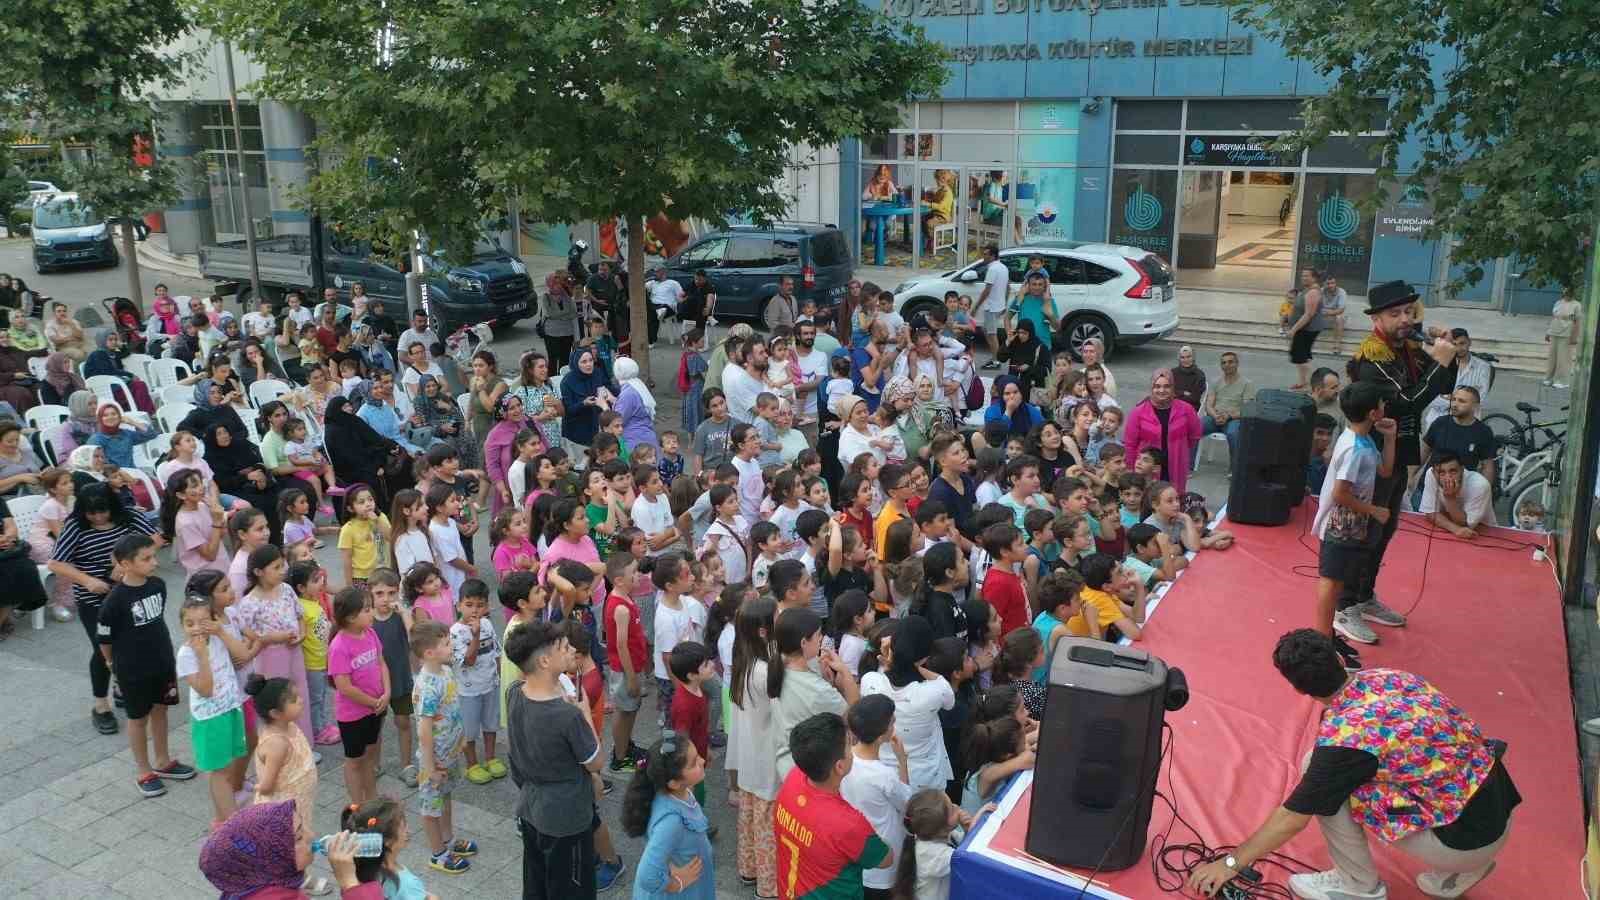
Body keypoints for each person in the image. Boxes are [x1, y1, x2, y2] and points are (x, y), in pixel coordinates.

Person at [1186, 629, 1519, 900]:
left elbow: (1292, 818)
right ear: (1339, 659)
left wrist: (1230, 863)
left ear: (1298, 689)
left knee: (1321, 781)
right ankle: (1457, 875)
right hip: (1499, 812)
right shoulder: (1392, 677)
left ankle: (1357, 886)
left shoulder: (1344, 740)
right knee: (1364, 769)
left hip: (1463, 845)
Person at [1339, 280, 1459, 645]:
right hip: (1371, 456)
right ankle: (1344, 606)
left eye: (1409, 311)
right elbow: (1407, 403)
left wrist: (1449, 354)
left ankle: (1364, 595)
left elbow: (1443, 385)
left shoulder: (1408, 349)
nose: (1405, 319)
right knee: (1364, 530)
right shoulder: (1372, 359)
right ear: (1376, 319)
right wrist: (1439, 363)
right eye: (1395, 314)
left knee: (1385, 529)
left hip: (1399, 449)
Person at [49, 482, 161, 734]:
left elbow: (155, 539)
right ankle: (100, 706)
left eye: (103, 511)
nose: (98, 517)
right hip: (94, 599)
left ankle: (122, 687)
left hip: (129, 592)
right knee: (103, 650)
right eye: (92, 513)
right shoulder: (75, 525)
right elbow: (56, 563)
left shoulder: (129, 516)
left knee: (131, 645)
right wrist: (87, 580)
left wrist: (124, 564)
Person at [505, 620, 606, 900]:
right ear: (545, 661)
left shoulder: (514, 692)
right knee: (571, 889)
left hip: (531, 806)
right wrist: (584, 712)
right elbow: (596, 762)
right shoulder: (567, 715)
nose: (571, 650)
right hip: (566, 817)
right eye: (563, 647)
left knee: (536, 884)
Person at [1311, 381, 1396, 650]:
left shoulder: (1364, 440)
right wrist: (1374, 510)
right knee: (1331, 581)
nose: (1384, 406)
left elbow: (1385, 471)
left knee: (1339, 580)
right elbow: (1340, 493)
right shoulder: (1352, 449)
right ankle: (1323, 640)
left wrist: (1390, 438)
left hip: (1354, 523)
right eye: (1381, 403)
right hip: (1339, 523)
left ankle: (1328, 636)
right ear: (1373, 413)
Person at [774, 712, 894, 896]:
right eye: (849, 746)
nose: (853, 748)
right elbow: (885, 859)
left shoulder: (794, 777)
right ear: (839, 766)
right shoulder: (848, 825)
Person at [199, 801, 378, 900]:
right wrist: (349, 882)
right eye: (298, 837)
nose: (311, 835)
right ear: (272, 858)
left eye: (303, 827)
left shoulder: (252, 884)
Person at [324, 396, 412, 511]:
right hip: (352, 470)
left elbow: (374, 438)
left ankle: (407, 502)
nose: (350, 409)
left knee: (405, 462)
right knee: (374, 480)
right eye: (345, 407)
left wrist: (390, 447)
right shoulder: (333, 431)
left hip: (370, 458)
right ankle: (386, 510)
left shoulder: (354, 420)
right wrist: (376, 465)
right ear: (336, 410)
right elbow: (349, 457)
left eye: (349, 405)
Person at [1122, 369, 1203, 493]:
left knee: (1173, 496)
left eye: (1167, 386)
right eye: (1157, 386)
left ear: (1173, 387)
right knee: (1148, 497)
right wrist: (1130, 468)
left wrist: (1180, 449)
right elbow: (1129, 444)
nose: (1162, 390)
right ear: (1152, 388)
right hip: (1148, 468)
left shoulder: (1186, 409)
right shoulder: (1138, 412)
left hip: (1176, 464)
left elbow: (1195, 435)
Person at [1421, 329, 1494, 436]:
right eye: (1454, 344)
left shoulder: (1484, 367)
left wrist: (1448, 397)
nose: (1459, 348)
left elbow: (1479, 399)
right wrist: (1464, 399)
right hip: (1436, 421)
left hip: (1466, 425)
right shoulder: (1438, 364)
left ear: (1469, 342)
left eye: (1462, 343)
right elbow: (1428, 398)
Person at [1420, 386, 1496, 487]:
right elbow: (1424, 451)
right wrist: (1411, 476)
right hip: (1428, 487)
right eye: (1453, 399)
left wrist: (1485, 491)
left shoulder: (1483, 432)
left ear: (1475, 407)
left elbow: (1487, 465)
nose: (1455, 404)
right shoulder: (1440, 423)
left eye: (1461, 401)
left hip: (1461, 491)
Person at [1418, 451, 1497, 537]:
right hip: (1447, 529)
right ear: (1434, 473)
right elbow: (1430, 512)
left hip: (1483, 531)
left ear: (1462, 470)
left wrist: (1450, 499)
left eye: (1453, 471)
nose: (1448, 477)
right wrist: (1455, 529)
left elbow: (1465, 525)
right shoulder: (1430, 474)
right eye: (1441, 472)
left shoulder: (1480, 485)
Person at [1199, 351, 1256, 465]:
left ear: (1237, 363)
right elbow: (1208, 405)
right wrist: (1215, 416)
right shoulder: (1215, 382)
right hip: (1215, 417)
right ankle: (1188, 465)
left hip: (1234, 419)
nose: (1227, 365)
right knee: (1194, 427)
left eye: (1230, 362)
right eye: (1224, 363)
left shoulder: (1247, 384)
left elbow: (1247, 410)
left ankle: (1235, 468)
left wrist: (1228, 415)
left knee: (1233, 434)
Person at [83, 330, 156, 412]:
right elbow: (109, 371)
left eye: (115, 339)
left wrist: (120, 345)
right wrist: (130, 375)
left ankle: (141, 412)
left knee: (137, 385)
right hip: (105, 389)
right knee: (139, 386)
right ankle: (146, 412)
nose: (114, 342)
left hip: (114, 385)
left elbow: (125, 353)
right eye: (110, 340)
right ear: (102, 341)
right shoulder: (98, 354)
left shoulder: (111, 353)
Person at [561, 347, 614, 450]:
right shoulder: (567, 381)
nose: (589, 364)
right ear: (576, 363)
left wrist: (609, 393)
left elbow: (608, 387)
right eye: (584, 362)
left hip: (597, 424)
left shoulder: (597, 373)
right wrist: (583, 403)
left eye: (590, 360)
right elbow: (568, 409)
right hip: (577, 429)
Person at [1287, 267, 1325, 389]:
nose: (1303, 278)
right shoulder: (1308, 289)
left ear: (1314, 278)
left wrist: (1293, 330)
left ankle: (1314, 385)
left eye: (1306, 276)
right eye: (1302, 275)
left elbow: (1309, 314)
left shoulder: (1313, 292)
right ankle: (1303, 382)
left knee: (1300, 357)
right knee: (1301, 357)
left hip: (1307, 329)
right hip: (1303, 329)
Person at [613, 356, 659, 452]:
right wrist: (613, 399)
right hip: (646, 436)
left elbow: (617, 420)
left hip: (635, 441)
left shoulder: (627, 393)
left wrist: (603, 405)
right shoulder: (637, 384)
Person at [1545, 289, 1581, 388]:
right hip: (1554, 332)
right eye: (1565, 291)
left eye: (1569, 292)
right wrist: (1548, 332)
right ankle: (1549, 378)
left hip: (1566, 334)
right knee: (1552, 357)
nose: (1566, 293)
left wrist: (1574, 336)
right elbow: (1554, 318)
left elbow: (1577, 322)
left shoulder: (1577, 305)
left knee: (1563, 358)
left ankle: (1562, 381)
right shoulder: (1558, 303)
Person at [1170, 345, 1207, 410]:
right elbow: (1169, 391)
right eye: (1182, 357)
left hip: (1190, 407)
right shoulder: (1173, 372)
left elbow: (1195, 398)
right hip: (1172, 405)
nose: (1186, 360)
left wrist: (1177, 393)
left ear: (1193, 358)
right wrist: (1184, 393)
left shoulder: (1199, 375)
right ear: (1179, 359)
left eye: (1188, 357)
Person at [1321, 273, 1348, 353]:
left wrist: (1329, 312)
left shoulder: (1341, 292)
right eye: (1328, 283)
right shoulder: (1321, 291)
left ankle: (1337, 344)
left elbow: (1341, 310)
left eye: (1333, 283)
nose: (1331, 285)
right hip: (1323, 314)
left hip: (1335, 314)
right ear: (1324, 284)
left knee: (1339, 317)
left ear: (1336, 283)